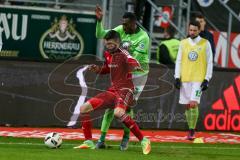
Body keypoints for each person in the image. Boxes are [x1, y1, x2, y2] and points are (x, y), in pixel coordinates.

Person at [73, 30, 151, 155]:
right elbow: (107, 68)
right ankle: (88, 142)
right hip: (113, 91)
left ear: (118, 43)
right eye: (106, 44)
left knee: (118, 112)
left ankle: (144, 140)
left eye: (110, 44)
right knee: (84, 108)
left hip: (125, 90)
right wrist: (98, 69)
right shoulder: (107, 54)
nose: (108, 46)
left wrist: (135, 65)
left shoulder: (123, 53)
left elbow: (133, 61)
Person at [95, 5, 150, 150]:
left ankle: (125, 138)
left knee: (127, 107)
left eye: (126, 24)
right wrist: (99, 21)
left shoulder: (143, 37)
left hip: (138, 74)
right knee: (110, 105)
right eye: (122, 24)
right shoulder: (120, 29)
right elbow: (101, 34)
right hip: (122, 73)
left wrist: (115, 54)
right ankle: (101, 140)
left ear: (134, 23)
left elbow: (133, 60)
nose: (123, 27)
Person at [174, 20, 213, 140]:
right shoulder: (183, 43)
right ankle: (190, 128)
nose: (192, 32)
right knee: (187, 106)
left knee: (193, 104)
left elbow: (210, 62)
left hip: (198, 78)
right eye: (190, 30)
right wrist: (177, 77)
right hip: (185, 77)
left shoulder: (205, 43)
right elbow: (179, 61)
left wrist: (207, 78)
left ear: (199, 30)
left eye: (194, 30)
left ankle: (192, 130)